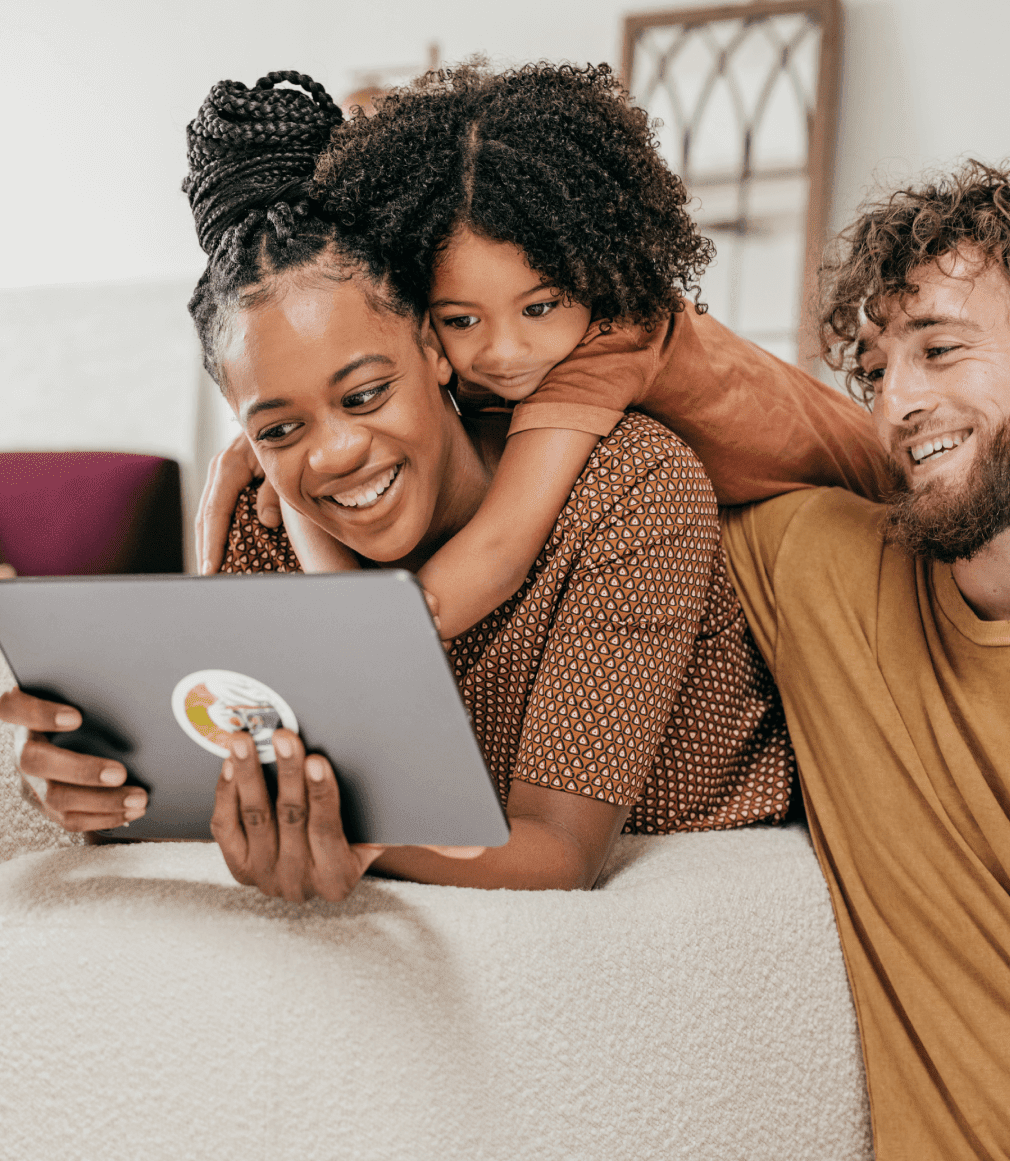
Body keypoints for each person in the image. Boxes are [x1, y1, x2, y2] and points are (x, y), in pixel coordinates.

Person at [5, 71, 882, 901]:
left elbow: (557, 848)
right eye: (279, 427)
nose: (336, 451)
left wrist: (362, 832)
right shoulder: (269, 513)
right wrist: (113, 792)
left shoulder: (630, 477)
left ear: (429, 348)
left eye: (365, 393)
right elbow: (237, 779)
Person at [721, 159, 1010, 1158]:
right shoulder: (822, 572)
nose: (897, 403)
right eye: (875, 369)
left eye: (941, 348)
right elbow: (645, 382)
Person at [196, 61, 890, 641]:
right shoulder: (525, 352)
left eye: (539, 306)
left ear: (594, 269)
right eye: (460, 319)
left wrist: (350, 643)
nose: (503, 352)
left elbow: (496, 556)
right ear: (424, 324)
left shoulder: (608, 343)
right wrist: (269, 447)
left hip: (881, 498)